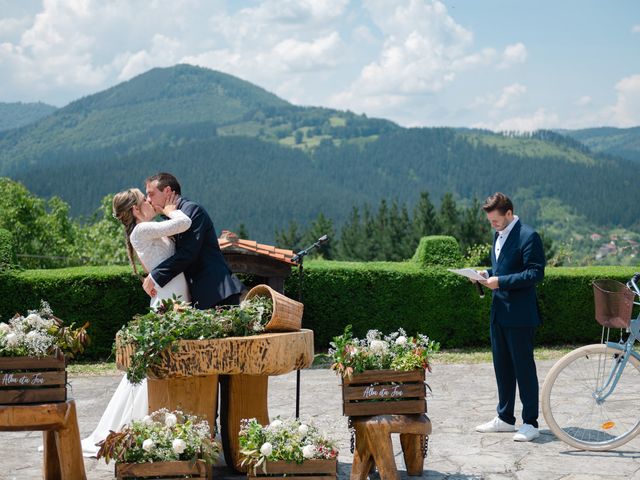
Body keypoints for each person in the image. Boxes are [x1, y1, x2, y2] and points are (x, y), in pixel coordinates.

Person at [81, 188, 191, 456]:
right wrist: (169, 208)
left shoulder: (146, 229)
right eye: (145, 199)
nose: (149, 201)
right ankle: (143, 421)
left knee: (160, 358)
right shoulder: (141, 231)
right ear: (135, 209)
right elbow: (184, 223)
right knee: (158, 359)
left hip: (172, 292)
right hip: (169, 297)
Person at [475, 192, 546, 442]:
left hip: (520, 316)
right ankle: (505, 418)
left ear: (508, 213)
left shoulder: (529, 235)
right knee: (502, 368)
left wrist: (500, 281)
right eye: (490, 221)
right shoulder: (499, 233)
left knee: (524, 369)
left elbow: (535, 273)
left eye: (495, 220)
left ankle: (531, 422)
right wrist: (487, 273)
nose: (492, 225)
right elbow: (505, 268)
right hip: (499, 314)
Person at [142, 172, 243, 309]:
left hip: (218, 293)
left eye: (151, 194)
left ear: (167, 191)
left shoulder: (192, 211)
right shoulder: (171, 219)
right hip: (201, 296)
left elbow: (187, 253)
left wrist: (155, 277)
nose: (148, 199)